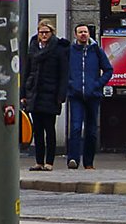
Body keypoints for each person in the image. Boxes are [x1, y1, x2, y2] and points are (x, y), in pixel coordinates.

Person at [65, 24, 113, 170]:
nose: (83, 34)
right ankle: (73, 159)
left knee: (91, 130)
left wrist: (97, 84)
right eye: (80, 32)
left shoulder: (96, 50)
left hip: (93, 95)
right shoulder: (70, 51)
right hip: (76, 95)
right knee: (75, 127)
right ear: (75, 35)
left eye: (85, 32)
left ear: (89, 34)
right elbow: (63, 70)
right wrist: (70, 84)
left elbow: (108, 70)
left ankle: (88, 162)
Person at [22, 22, 68, 172]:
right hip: (34, 93)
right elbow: (27, 71)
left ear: (51, 33)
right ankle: (39, 161)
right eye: (41, 32)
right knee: (37, 130)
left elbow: (63, 74)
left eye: (46, 32)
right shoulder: (33, 48)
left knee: (50, 129)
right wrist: (23, 93)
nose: (43, 35)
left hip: (51, 94)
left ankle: (49, 162)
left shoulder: (58, 50)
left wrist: (61, 95)